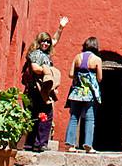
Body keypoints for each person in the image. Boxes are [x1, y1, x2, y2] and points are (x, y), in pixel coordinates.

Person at [22, 15, 68, 153]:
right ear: (39, 42)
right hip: (36, 89)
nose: (47, 44)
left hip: (42, 88)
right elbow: (35, 68)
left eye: (47, 42)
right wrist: (49, 71)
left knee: (38, 114)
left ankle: (34, 144)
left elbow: (55, 40)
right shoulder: (36, 54)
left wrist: (61, 27)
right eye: (44, 41)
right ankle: (38, 143)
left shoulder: (45, 54)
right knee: (43, 114)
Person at [65, 37, 103, 151]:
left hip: (76, 92)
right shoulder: (97, 59)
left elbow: (71, 74)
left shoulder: (77, 57)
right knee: (90, 118)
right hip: (90, 93)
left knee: (74, 117)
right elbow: (100, 78)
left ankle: (70, 144)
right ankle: (88, 144)